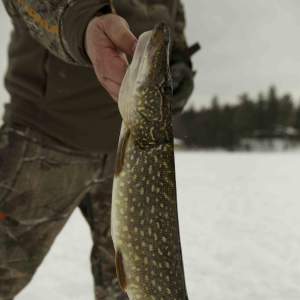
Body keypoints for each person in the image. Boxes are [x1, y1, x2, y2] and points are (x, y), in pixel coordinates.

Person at [0, 0, 196, 299]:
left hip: (135, 146)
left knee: (134, 287)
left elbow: (169, 13)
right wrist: (85, 20)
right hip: (45, 134)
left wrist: (178, 56)